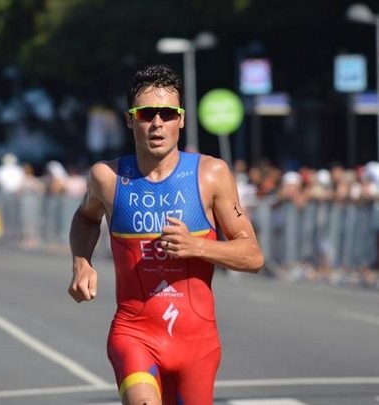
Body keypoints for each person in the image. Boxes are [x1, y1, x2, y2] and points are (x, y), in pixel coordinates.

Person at [68, 64, 264, 405]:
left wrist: (198, 248)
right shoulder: (107, 178)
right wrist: (81, 263)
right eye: (146, 114)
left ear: (181, 119)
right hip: (135, 333)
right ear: (131, 120)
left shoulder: (211, 174)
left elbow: (252, 256)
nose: (157, 123)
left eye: (167, 113)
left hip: (197, 343)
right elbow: (85, 219)